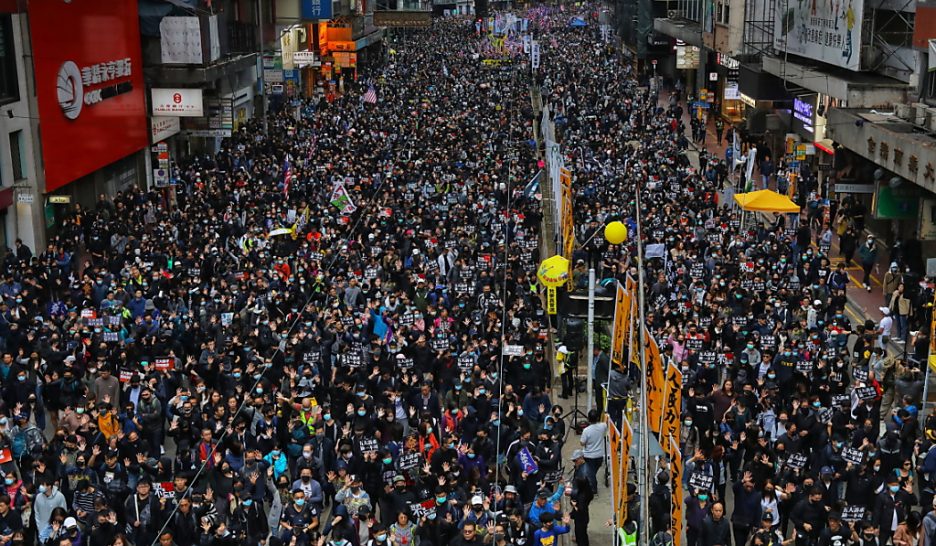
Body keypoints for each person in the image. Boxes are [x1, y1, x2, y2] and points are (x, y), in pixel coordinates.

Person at [580, 410, 607, 496]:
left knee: (591, 473)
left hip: (589, 455)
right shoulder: (603, 426)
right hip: (599, 455)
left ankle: (593, 489)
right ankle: (588, 485)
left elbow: (582, 442)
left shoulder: (586, 431)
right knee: (592, 472)